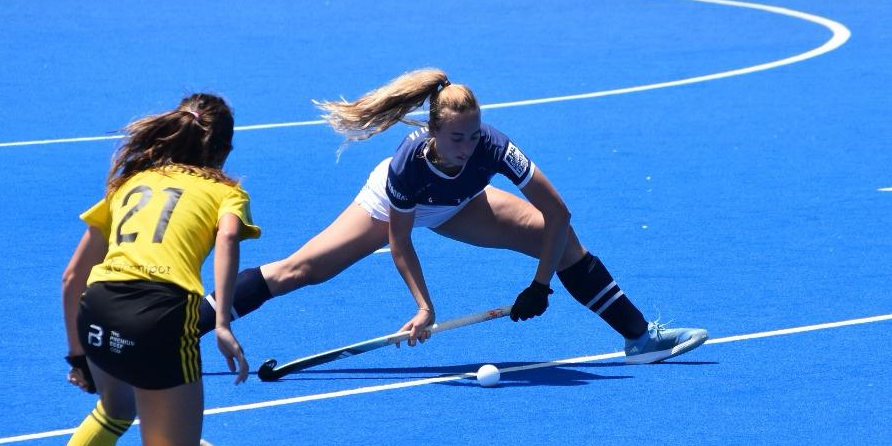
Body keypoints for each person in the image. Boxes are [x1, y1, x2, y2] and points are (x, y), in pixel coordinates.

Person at [186, 68, 706, 364]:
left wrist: (541, 285)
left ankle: (639, 337)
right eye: (457, 137)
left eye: (474, 135)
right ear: (433, 133)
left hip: (461, 204)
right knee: (297, 271)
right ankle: (183, 327)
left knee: (561, 241)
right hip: (394, 208)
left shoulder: (494, 149)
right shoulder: (407, 165)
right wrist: (424, 307)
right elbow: (401, 242)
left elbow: (559, 212)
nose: (467, 145)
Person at [19, 93, 260, 446]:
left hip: (99, 304)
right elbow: (229, 236)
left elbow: (71, 278)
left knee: (115, 408)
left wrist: (77, 356)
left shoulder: (131, 182)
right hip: (160, 315)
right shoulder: (226, 190)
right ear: (223, 152)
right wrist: (224, 319)